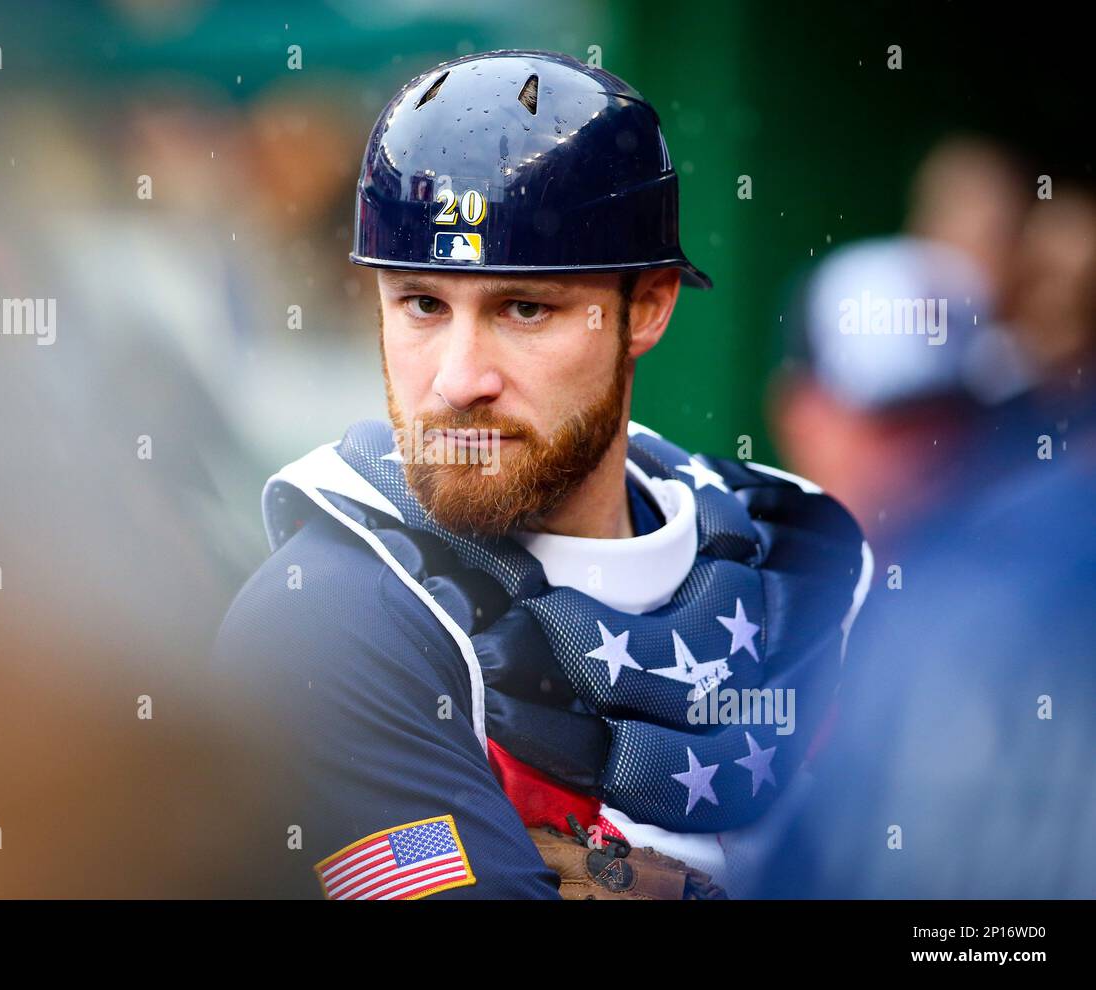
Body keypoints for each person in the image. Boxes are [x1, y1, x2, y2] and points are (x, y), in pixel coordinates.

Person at [214, 49, 868, 900]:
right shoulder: (324, 615)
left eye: (525, 307)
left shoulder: (805, 557)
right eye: (420, 303)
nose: (456, 380)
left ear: (650, 305)